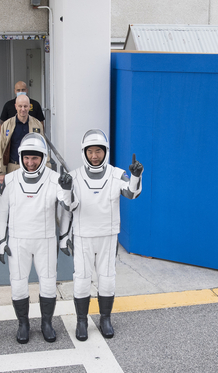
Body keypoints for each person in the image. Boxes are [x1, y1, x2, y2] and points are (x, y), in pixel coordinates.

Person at [59, 129, 143, 341]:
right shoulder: (74, 176)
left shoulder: (117, 174)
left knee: (107, 279)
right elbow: (69, 206)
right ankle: (81, 321)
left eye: (99, 151)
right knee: (81, 279)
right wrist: (66, 189)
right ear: (84, 152)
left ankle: (105, 318)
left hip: (108, 235)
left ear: (105, 151)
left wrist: (135, 176)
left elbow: (131, 193)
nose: (94, 156)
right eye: (90, 151)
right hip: (83, 235)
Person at [0, 133, 77, 344]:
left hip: (46, 240)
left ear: (43, 158)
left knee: (48, 284)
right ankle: (23, 324)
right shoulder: (11, 179)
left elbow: (68, 207)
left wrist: (67, 190)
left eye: (35, 158)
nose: (30, 163)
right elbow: (1, 211)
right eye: (26, 158)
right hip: (17, 240)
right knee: (18, 284)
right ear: (21, 156)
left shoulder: (54, 179)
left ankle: (46, 323)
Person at [0, 94, 50, 185]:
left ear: (29, 106)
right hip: (13, 167)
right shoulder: (7, 125)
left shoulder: (37, 124)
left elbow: (43, 147)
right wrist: (1, 173)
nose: (23, 109)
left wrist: (47, 167)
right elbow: (0, 148)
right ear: (16, 106)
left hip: (32, 168)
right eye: (20, 106)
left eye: (25, 106)